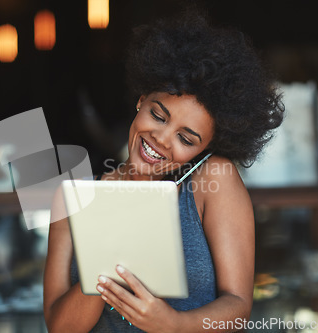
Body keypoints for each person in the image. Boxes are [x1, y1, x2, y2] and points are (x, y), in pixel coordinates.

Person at [43, 12, 284, 333]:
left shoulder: (213, 181)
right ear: (141, 101)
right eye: (158, 115)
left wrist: (173, 324)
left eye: (186, 138)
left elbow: (238, 307)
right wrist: (107, 259)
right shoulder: (73, 197)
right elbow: (60, 328)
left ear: (206, 147)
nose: (161, 138)